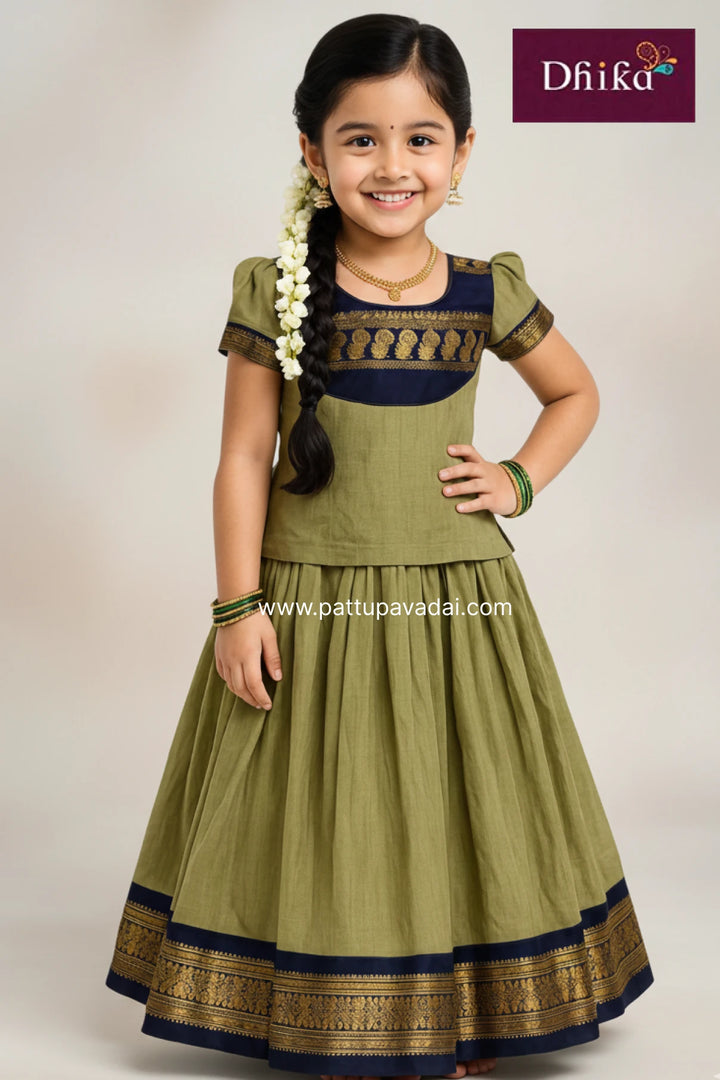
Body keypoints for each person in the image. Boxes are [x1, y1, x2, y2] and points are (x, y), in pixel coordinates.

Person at [104, 13, 654, 1080]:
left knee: (461, 796)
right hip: (307, 604)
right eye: (360, 139)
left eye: (420, 138)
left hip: (460, 601)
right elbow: (239, 460)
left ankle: (468, 1013)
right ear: (311, 153)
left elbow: (576, 393)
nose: (392, 165)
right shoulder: (274, 291)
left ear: (462, 153)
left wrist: (520, 477)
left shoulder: (485, 288)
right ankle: (319, 1009)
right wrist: (234, 607)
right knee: (330, 804)